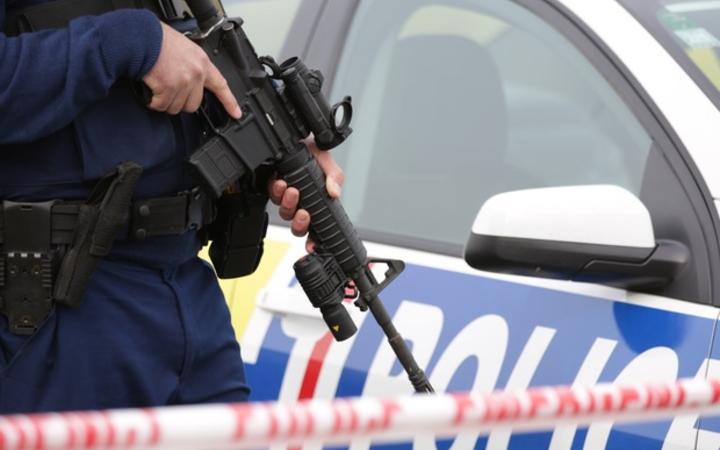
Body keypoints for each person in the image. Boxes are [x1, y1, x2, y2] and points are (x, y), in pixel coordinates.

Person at [0, 0, 343, 413]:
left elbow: (198, 53)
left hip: (188, 294)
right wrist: (129, 41)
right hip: (61, 310)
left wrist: (275, 140)